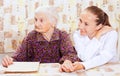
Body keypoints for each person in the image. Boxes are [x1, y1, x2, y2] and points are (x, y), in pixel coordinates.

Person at [2, 6, 80, 72]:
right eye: (35, 20)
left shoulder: (62, 35)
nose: (36, 24)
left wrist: (67, 61)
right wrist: (9, 60)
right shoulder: (31, 37)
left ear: (53, 22)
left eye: (41, 20)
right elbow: (18, 57)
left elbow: (70, 54)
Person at [72, 6, 118, 71]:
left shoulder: (111, 34)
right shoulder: (77, 35)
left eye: (86, 24)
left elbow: (105, 56)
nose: (81, 26)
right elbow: (85, 57)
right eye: (80, 21)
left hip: (110, 69)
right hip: (90, 70)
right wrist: (98, 35)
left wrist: (84, 65)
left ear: (99, 26)